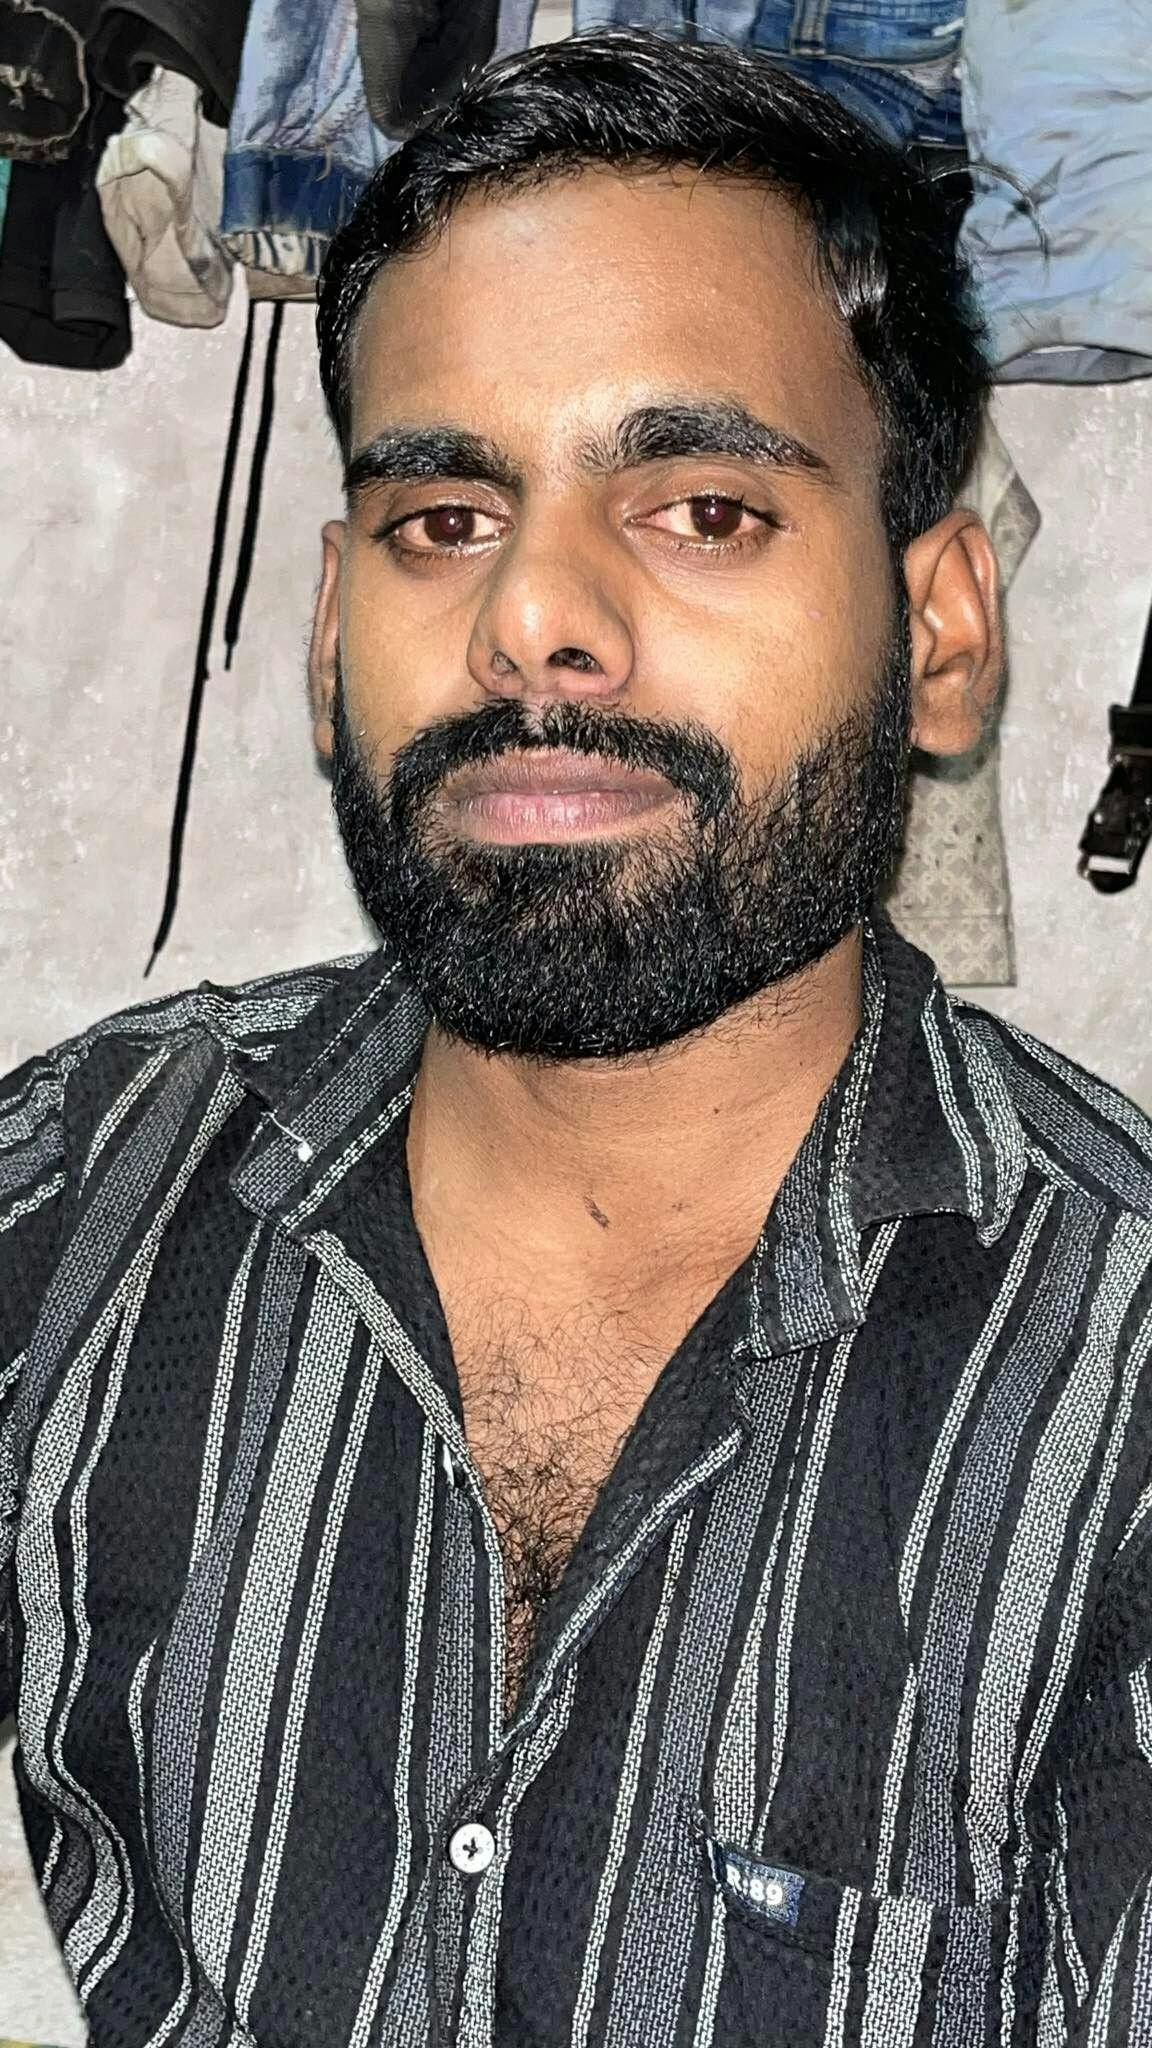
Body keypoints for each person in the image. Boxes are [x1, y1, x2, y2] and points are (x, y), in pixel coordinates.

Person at [2, 29, 1151, 2047]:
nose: (535, 615)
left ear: (944, 633)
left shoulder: (1118, 1387)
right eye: (445, 516)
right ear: (331, 631)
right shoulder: (66, 1201)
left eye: (702, 508)